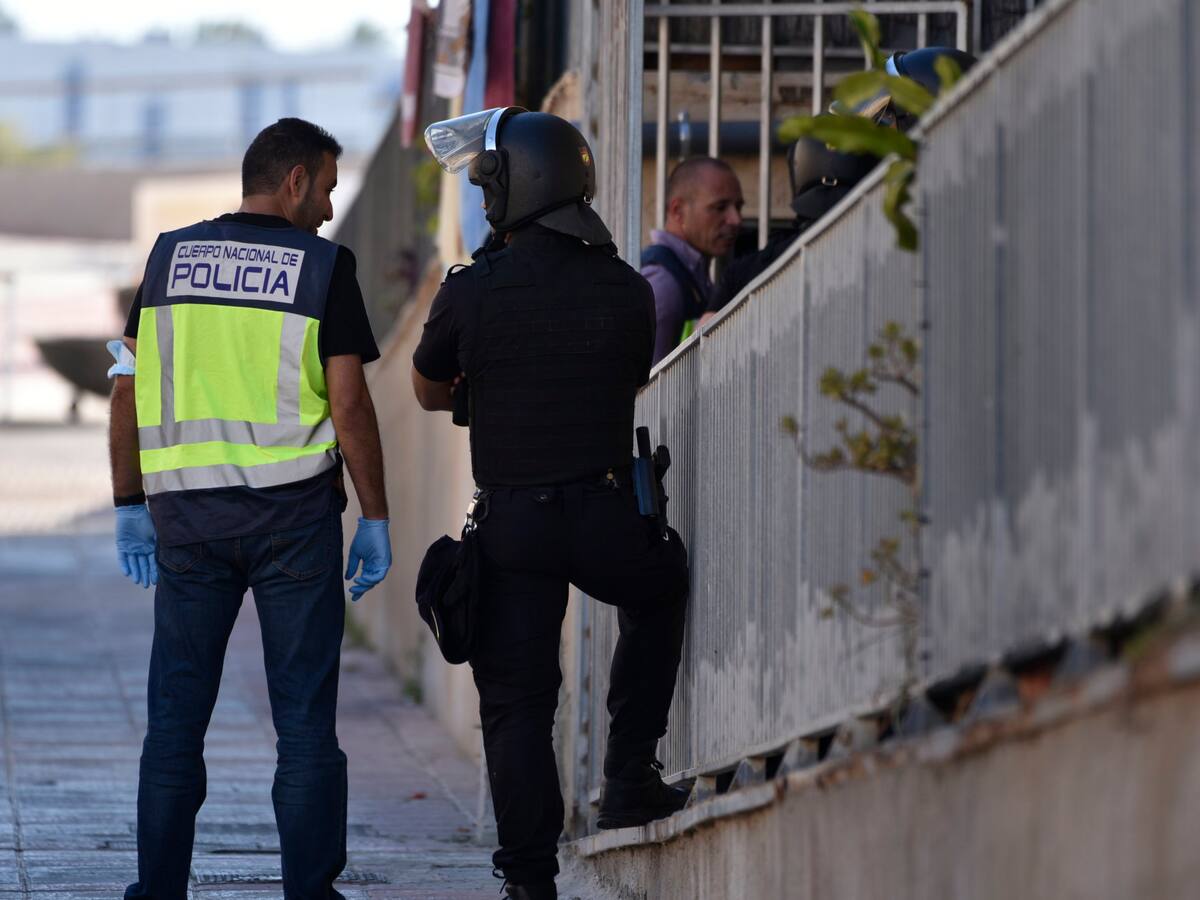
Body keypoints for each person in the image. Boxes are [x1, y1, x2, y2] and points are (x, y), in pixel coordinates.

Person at [108, 117, 392, 900]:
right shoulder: (323, 267)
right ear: (294, 180)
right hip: (294, 527)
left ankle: (156, 893)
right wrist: (375, 515)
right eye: (326, 189)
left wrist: (128, 502)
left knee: (175, 724)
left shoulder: (169, 258)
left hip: (188, 527)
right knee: (304, 728)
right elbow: (348, 402)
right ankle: (309, 893)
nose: (329, 209)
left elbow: (127, 390)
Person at [414, 107, 691, 900]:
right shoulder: (627, 288)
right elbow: (627, 377)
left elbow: (428, 390)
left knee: (518, 703)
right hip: (605, 513)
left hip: (514, 525)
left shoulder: (470, 291)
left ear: (518, 186)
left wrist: (484, 385)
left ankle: (531, 881)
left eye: (489, 184)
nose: (483, 199)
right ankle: (629, 773)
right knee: (661, 583)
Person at [640, 156, 743, 364]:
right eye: (720, 207)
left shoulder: (690, 272)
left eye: (738, 207)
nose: (735, 220)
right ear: (678, 211)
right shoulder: (664, 282)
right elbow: (648, 380)